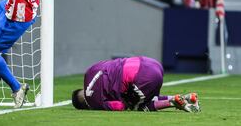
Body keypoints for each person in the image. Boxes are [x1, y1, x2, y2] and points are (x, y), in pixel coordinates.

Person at [71, 56, 200, 112]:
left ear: (85, 106)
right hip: (149, 62)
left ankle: (172, 103)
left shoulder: (95, 102)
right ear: (81, 89)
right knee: (142, 96)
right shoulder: (89, 71)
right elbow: (110, 64)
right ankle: (181, 98)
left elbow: (120, 106)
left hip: (142, 77)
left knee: (137, 106)